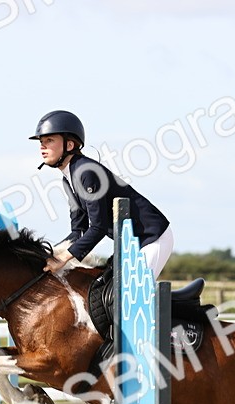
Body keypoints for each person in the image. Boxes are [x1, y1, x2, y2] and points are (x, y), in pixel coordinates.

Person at [30, 110, 174, 278]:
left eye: (49, 140)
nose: (42, 146)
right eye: (41, 141)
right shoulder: (68, 179)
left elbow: (97, 228)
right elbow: (78, 231)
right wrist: (49, 255)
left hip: (152, 237)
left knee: (132, 296)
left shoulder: (86, 173)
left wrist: (64, 257)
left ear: (69, 145)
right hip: (131, 244)